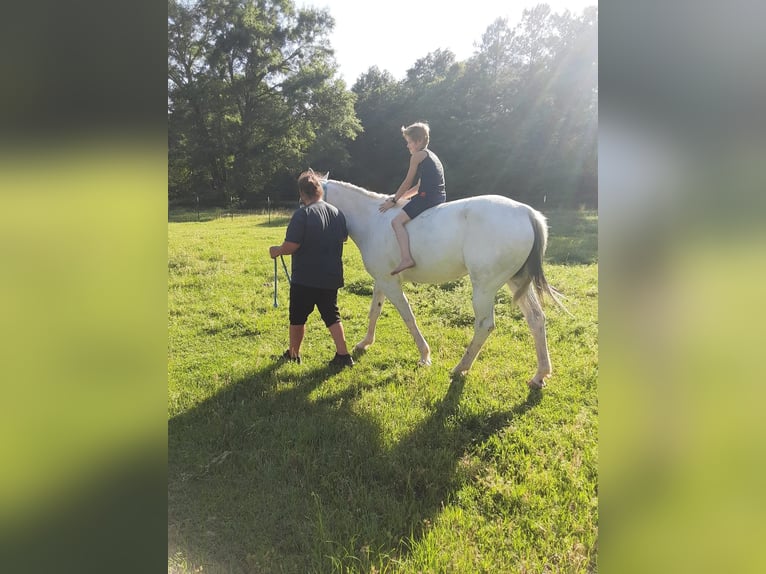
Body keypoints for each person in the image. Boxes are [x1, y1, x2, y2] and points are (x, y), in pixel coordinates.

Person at [269, 171, 354, 368]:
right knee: (332, 315)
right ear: (319, 190)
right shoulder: (336, 212)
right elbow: (343, 238)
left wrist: (277, 251)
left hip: (306, 278)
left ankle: (293, 353)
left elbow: (291, 246)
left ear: (302, 194)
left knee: (297, 317)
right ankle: (343, 355)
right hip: (331, 276)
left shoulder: (302, 215)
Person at [379, 122, 446, 275]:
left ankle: (406, 258)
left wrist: (394, 201)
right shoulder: (431, 155)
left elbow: (407, 181)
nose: (407, 146)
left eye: (409, 142)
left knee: (396, 222)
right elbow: (417, 187)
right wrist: (400, 198)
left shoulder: (418, 156)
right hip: (437, 196)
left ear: (419, 141)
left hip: (427, 198)